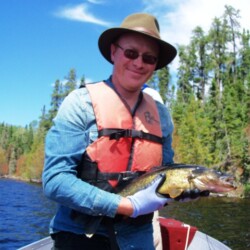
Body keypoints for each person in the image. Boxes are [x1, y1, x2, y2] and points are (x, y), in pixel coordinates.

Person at [43, 13, 206, 250]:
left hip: (138, 237)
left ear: (155, 65)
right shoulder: (79, 103)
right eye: (131, 53)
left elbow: (164, 173)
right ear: (113, 52)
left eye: (149, 58)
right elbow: (54, 181)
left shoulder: (161, 116)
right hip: (78, 235)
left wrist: (180, 191)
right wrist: (127, 206)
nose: (139, 63)